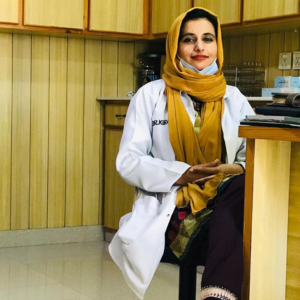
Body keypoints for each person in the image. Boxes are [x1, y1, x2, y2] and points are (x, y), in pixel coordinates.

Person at [109, 6, 255, 300]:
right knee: (240, 227)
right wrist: (182, 173)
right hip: (173, 205)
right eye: (189, 39)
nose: (200, 47)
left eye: (208, 38)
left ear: (218, 45)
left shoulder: (234, 98)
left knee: (241, 191)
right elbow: (129, 161)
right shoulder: (150, 96)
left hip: (224, 197)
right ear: (175, 46)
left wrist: (230, 170)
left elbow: (251, 158)